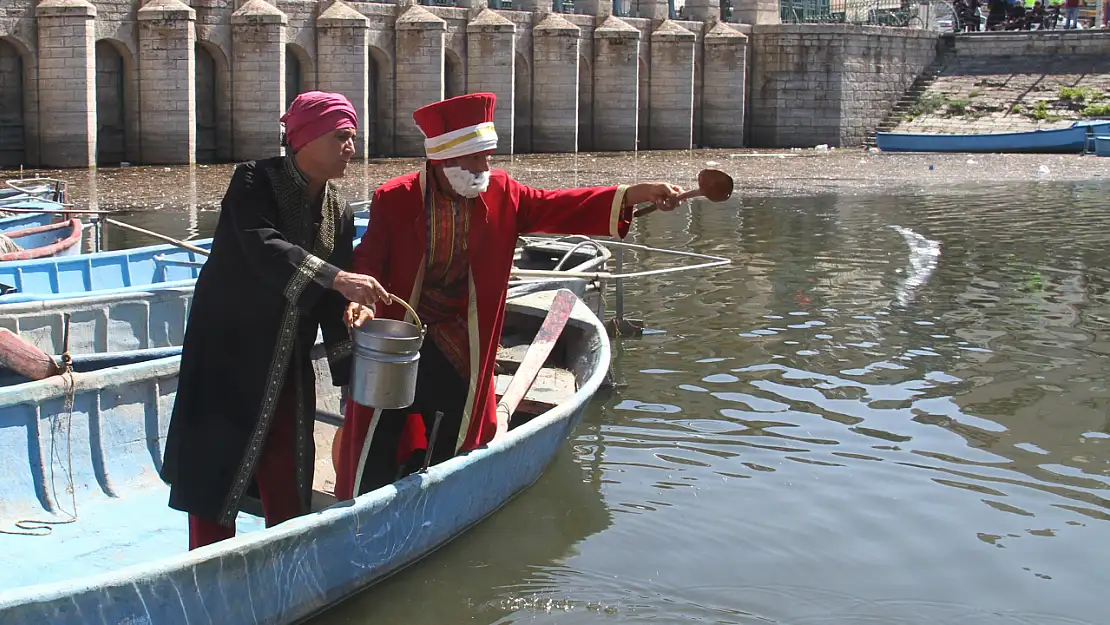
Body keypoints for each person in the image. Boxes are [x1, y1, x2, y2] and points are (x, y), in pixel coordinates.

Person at [332, 92, 685, 500]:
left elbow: (560, 207)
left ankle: (441, 493)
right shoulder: (396, 197)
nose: (486, 167)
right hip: (403, 335)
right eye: (477, 158)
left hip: (465, 336)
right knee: (380, 423)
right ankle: (362, 504)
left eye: (488, 156)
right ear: (446, 159)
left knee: (455, 424)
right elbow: (370, 259)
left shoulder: (502, 192)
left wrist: (636, 193)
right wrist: (361, 300)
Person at [160, 91, 390, 550]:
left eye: (353, 137)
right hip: (228, 354)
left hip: (288, 360)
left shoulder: (338, 209)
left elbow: (329, 298)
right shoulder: (252, 181)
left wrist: (351, 355)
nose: (351, 146)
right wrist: (337, 277)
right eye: (342, 136)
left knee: (289, 462)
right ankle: (208, 565)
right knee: (216, 467)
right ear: (305, 139)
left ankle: (285, 555)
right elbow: (262, 245)